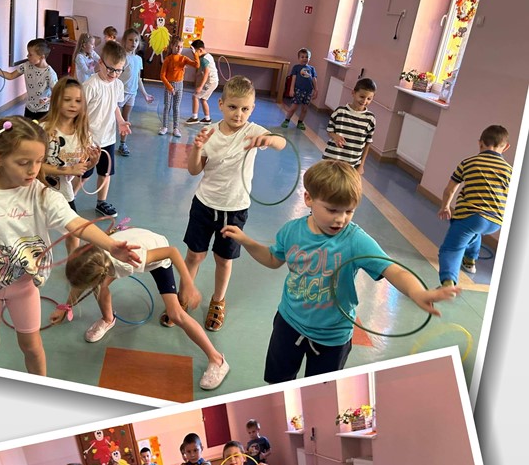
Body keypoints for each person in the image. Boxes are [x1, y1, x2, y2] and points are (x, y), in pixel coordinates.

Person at [0, 116, 141, 375]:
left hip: (23, 287)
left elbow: (76, 223)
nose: (33, 170)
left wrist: (110, 245)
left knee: (32, 347)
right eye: (23, 163)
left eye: (38, 161)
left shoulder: (42, 195)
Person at [222, 160, 458, 382]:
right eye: (332, 210)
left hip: (332, 337)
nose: (341, 219)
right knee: (279, 382)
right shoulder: (291, 231)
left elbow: (393, 270)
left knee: (321, 390)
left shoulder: (355, 240)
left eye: (349, 211)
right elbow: (273, 259)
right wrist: (246, 241)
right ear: (308, 199)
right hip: (289, 323)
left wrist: (417, 292)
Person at [55, 228, 231, 391]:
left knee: (176, 314)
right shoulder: (94, 255)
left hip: (157, 257)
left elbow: (172, 251)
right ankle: (108, 319)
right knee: (100, 288)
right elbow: (79, 284)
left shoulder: (132, 260)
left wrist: (188, 283)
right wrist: (66, 307)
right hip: (131, 246)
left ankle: (217, 360)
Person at [183, 76, 287, 332]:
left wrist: (268, 140)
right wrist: (196, 148)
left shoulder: (253, 131)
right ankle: (183, 295)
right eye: (232, 107)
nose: (238, 114)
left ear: (252, 109)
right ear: (221, 104)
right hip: (204, 204)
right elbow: (194, 170)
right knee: (194, 255)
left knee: (224, 259)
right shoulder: (210, 133)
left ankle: (218, 301)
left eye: (245, 109)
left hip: (235, 209)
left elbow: (282, 143)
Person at [437, 124, 512, 284]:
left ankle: (448, 283)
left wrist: (445, 206)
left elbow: (450, 189)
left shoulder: (468, 163)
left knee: (451, 249)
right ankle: (470, 260)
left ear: (480, 143)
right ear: (506, 147)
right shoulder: (509, 170)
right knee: (474, 232)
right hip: (495, 221)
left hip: (471, 215)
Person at [38, 76, 100, 256]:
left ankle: (73, 263)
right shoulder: (44, 130)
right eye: (67, 100)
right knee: (36, 233)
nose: (73, 105)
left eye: (78, 101)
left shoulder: (83, 134)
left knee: (74, 233)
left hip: (64, 193)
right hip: (39, 191)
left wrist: (92, 163)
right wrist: (67, 170)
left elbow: (81, 168)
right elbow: (35, 166)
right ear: (56, 100)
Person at [82, 40, 131, 218]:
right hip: (90, 139)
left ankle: (101, 202)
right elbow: (80, 113)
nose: (114, 74)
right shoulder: (90, 85)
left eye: (119, 70)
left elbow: (114, 105)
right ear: (101, 63)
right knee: (84, 173)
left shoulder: (118, 85)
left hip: (108, 138)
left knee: (106, 173)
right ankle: (67, 199)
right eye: (110, 69)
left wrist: (121, 121)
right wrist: (83, 137)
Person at [0, 39, 57, 121]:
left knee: (40, 129)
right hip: (29, 108)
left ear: (42, 56)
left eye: (30, 54)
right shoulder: (26, 66)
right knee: (28, 127)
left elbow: (56, 93)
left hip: (44, 110)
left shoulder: (50, 73)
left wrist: (48, 99)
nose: (27, 56)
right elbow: (11, 76)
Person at [323, 78, 377, 174]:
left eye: (369, 99)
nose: (364, 101)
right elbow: (330, 130)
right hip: (331, 158)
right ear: (353, 93)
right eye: (362, 96)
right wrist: (335, 136)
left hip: (351, 164)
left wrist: (361, 165)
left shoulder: (370, 118)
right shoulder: (340, 111)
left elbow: (367, 143)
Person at [118, 28, 155, 156]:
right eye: (130, 40)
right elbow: (116, 75)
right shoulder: (122, 57)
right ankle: (105, 143)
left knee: (126, 119)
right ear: (124, 41)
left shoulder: (138, 59)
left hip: (132, 94)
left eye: (136, 40)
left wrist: (145, 94)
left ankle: (123, 144)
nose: (133, 43)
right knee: (113, 119)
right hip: (120, 93)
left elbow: (138, 78)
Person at [158, 35, 198, 138]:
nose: (179, 48)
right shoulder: (168, 59)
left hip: (180, 85)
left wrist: (195, 54)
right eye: (176, 46)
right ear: (172, 46)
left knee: (176, 107)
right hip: (169, 85)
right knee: (167, 107)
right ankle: (165, 126)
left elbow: (196, 65)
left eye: (181, 46)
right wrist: (170, 87)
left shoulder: (183, 58)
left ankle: (176, 128)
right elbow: (162, 75)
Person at [281, 48, 318, 130]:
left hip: (308, 92)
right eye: (302, 57)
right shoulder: (296, 67)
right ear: (299, 58)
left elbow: (314, 79)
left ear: (309, 58)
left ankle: (300, 122)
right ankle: (287, 120)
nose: (304, 58)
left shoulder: (312, 69)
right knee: (293, 107)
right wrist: (291, 89)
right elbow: (293, 79)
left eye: (306, 57)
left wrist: (316, 90)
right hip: (298, 90)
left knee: (305, 109)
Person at [185, 39, 218, 124]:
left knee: (195, 96)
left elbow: (206, 73)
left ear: (200, 50)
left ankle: (194, 117)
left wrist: (200, 86)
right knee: (203, 99)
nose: (194, 54)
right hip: (213, 81)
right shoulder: (208, 55)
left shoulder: (204, 59)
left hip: (210, 82)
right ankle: (207, 118)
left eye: (195, 52)